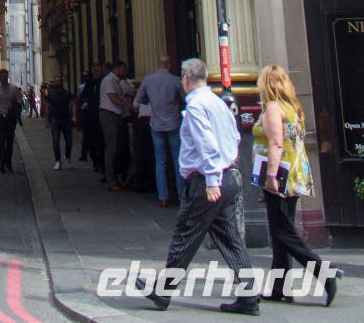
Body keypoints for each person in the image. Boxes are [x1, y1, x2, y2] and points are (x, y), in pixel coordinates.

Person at [149, 57, 256, 315]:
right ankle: (249, 297)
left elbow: (207, 144)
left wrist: (210, 180)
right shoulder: (218, 103)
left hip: (207, 181)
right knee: (229, 238)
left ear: (186, 79)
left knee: (185, 233)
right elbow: (236, 136)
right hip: (228, 175)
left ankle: (162, 291)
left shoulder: (196, 106)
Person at [253, 62, 338, 307]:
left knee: (282, 231)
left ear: (266, 84)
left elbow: (276, 143)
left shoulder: (273, 108)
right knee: (282, 230)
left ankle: (324, 274)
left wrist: (270, 177)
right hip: (294, 174)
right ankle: (280, 287)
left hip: (279, 177)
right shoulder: (292, 107)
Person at [135, 56, 185, 207]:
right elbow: (185, 98)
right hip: (173, 123)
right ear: (169, 65)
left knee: (160, 161)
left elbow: (138, 100)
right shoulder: (175, 80)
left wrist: (151, 102)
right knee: (177, 159)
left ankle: (163, 197)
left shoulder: (148, 80)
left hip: (156, 124)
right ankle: (182, 196)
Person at [100, 59, 134, 189]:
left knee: (116, 148)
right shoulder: (109, 80)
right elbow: (113, 97)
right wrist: (128, 105)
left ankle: (115, 178)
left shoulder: (116, 81)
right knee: (111, 148)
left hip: (116, 116)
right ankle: (111, 180)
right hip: (109, 116)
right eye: (123, 70)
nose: (124, 72)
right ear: (117, 69)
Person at [0, 69, 24, 173]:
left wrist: (16, 103)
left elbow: (19, 101)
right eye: (2, 76)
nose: (4, 78)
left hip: (10, 117)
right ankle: (2, 163)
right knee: (1, 140)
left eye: (5, 76)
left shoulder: (13, 88)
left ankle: (8, 162)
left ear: (7, 76)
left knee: (9, 141)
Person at [79, 65, 105, 174]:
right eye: (95, 71)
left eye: (98, 71)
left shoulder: (103, 81)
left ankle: (101, 164)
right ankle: (97, 163)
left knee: (100, 141)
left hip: (100, 114)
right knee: (92, 141)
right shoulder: (91, 82)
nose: (96, 73)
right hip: (92, 115)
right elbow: (83, 94)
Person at [46, 74, 73, 169]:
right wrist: (47, 120)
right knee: (56, 140)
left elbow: (72, 104)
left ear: (61, 82)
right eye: (56, 81)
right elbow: (47, 106)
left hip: (66, 119)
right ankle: (58, 161)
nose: (57, 82)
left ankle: (67, 156)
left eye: (59, 81)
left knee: (69, 141)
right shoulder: (51, 94)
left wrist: (73, 115)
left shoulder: (67, 93)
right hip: (55, 119)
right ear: (54, 82)